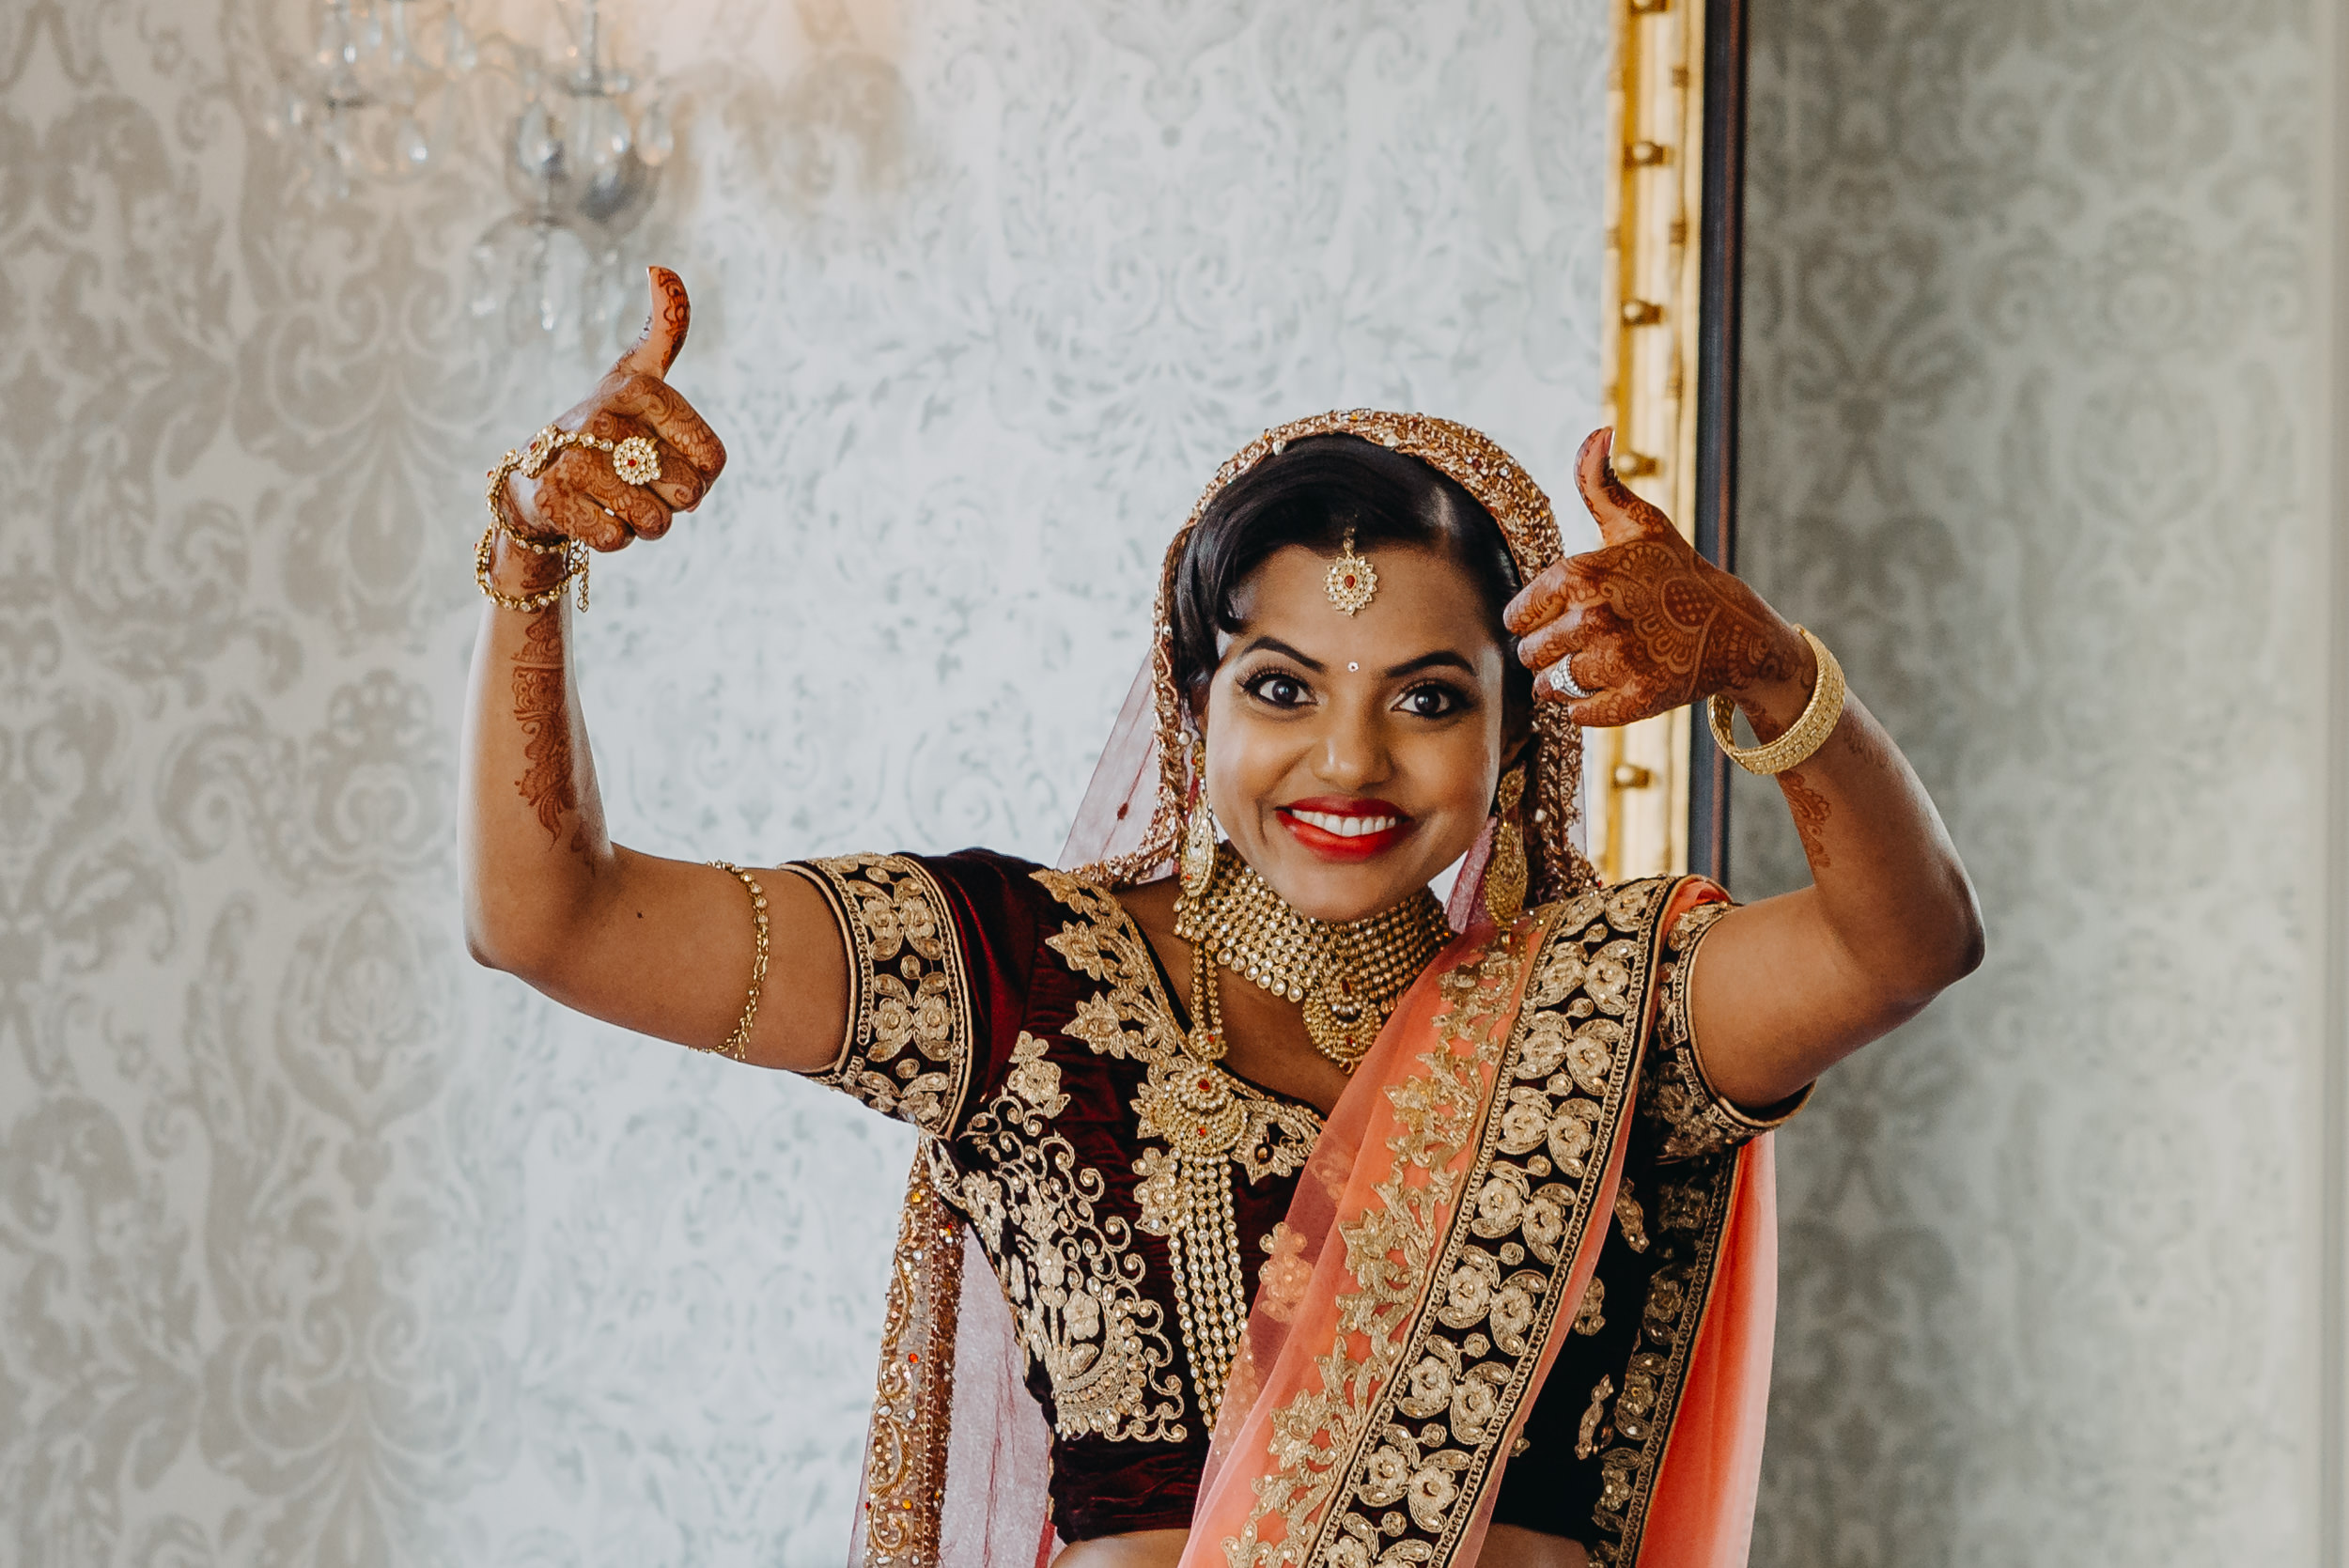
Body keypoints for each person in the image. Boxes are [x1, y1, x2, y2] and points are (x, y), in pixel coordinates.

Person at [461, 270, 1983, 1568]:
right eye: (1281, 687)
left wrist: (1773, 672)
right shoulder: (1020, 976)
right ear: (1196, 706)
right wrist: (531, 557)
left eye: (1431, 699)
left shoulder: (1604, 1010)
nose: (1348, 759)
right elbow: (555, 918)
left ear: (1519, 736)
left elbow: (1904, 944)